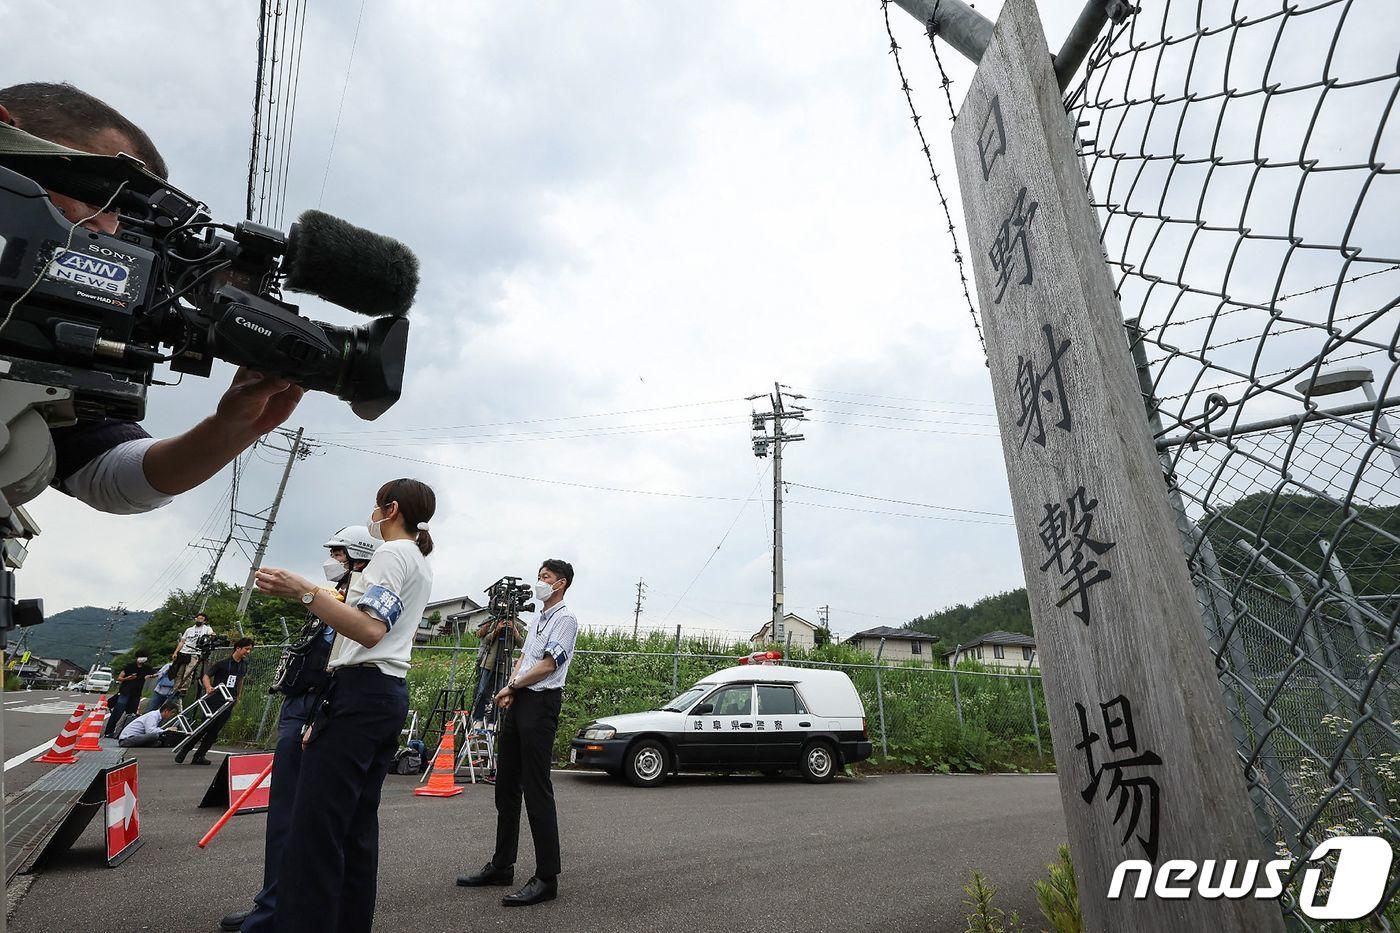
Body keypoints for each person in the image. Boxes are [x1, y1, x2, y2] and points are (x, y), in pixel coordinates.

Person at [0, 82, 304, 515]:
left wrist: (231, 429)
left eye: (123, 215)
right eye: (99, 194)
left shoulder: (44, 330)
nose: (108, 230)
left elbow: (110, 477)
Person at [253, 478, 436, 932]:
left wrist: (304, 591)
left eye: (375, 506)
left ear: (390, 508)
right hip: (385, 694)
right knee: (355, 828)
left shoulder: (392, 554)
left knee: (315, 831)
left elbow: (370, 629)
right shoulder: (419, 560)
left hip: (358, 691)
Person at [221, 526, 377, 933]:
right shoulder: (335, 597)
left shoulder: (360, 597)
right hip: (301, 702)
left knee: (298, 816)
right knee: (288, 815)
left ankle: (276, 911)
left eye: (338, 554)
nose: (332, 560)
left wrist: (317, 714)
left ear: (357, 557)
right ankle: (272, 901)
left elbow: (347, 654)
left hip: (317, 706)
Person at [457, 559, 579, 907]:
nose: (540, 582)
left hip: (541, 705)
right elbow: (524, 659)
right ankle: (501, 864)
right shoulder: (539, 617)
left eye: (547, 578)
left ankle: (546, 877)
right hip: (520, 697)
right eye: (539, 576)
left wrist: (513, 684)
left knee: (536, 788)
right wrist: (512, 686)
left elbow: (548, 664)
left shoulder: (566, 619)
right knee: (506, 784)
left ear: (562, 584)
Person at [176, 637, 254, 766]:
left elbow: (240, 681)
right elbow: (206, 675)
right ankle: (185, 750)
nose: (248, 652)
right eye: (246, 649)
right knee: (205, 726)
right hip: (215, 699)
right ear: (238, 648)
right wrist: (208, 687)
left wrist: (238, 696)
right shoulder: (223, 663)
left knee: (215, 731)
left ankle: (200, 755)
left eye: (250, 650)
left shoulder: (244, 665)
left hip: (229, 701)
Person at [471, 615, 525, 724]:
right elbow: (485, 640)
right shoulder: (494, 623)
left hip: (504, 664)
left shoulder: (518, 626)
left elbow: (523, 644)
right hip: (488, 663)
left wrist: (515, 632)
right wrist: (497, 630)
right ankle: (478, 718)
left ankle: (493, 721)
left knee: (500, 692)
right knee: (482, 691)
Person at [103, 650, 156, 737]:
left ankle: (125, 733)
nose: (143, 659)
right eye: (142, 657)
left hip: (136, 694)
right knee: (117, 712)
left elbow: (156, 673)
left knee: (131, 715)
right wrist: (128, 678)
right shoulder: (129, 666)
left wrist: (150, 676)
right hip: (125, 692)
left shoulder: (147, 668)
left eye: (145, 657)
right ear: (137, 657)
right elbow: (120, 678)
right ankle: (109, 732)